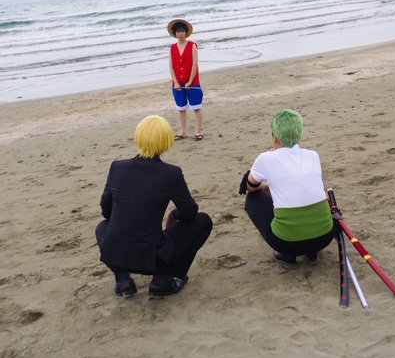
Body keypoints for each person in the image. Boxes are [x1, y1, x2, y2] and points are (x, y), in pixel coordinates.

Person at [95, 115, 212, 297]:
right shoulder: (171, 173)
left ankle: (123, 279)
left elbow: (106, 210)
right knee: (203, 221)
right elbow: (190, 214)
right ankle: (164, 280)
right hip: (153, 259)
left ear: (138, 137)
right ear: (166, 142)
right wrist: (176, 215)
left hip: (116, 254)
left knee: (103, 227)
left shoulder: (117, 167)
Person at [239, 109, 335, 265]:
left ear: (275, 137)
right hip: (324, 237)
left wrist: (265, 187)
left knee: (253, 198)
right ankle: (312, 252)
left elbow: (250, 187)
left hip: (287, 242)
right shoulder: (313, 155)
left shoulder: (266, 158)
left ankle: (287, 255)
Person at [167, 18, 204, 140]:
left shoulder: (192, 45)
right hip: (177, 84)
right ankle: (183, 131)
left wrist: (190, 81)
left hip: (192, 82)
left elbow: (195, 64)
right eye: (178, 31)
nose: (180, 33)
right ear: (175, 33)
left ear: (186, 32)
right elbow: (171, 67)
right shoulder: (172, 48)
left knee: (196, 107)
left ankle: (198, 131)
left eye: (182, 31)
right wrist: (176, 82)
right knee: (181, 109)